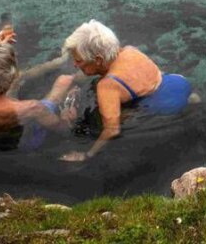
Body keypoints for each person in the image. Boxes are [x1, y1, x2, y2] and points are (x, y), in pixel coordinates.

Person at [60, 20, 195, 162]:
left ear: (98, 60)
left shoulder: (107, 86)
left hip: (163, 106)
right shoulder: (130, 51)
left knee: (95, 123)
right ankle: (193, 99)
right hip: (178, 83)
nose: (74, 65)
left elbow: (112, 130)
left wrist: (87, 155)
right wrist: (75, 82)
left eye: (78, 61)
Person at [0, 26, 75, 151]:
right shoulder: (31, 108)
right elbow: (63, 130)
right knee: (64, 80)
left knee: (14, 77)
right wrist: (66, 118)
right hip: (23, 146)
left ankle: (58, 62)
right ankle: (61, 61)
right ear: (9, 80)